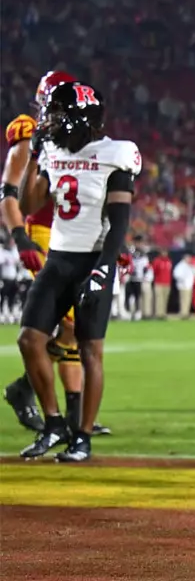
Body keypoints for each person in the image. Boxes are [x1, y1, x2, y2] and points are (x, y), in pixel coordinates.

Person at [15, 81, 138, 462]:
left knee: (89, 350)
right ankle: (54, 424)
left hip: (93, 259)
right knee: (29, 339)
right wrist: (35, 155)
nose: (48, 121)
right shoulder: (51, 149)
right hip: (59, 257)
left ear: (77, 117)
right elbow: (28, 202)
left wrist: (103, 270)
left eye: (56, 114)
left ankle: (82, 437)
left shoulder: (115, 153)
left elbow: (118, 221)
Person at [2, 71, 88, 435]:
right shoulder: (29, 137)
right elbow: (7, 194)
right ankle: (29, 392)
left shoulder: (79, 138)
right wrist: (20, 237)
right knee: (68, 322)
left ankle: (70, 414)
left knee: (78, 327)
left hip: (76, 235)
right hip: (43, 232)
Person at [173, 254, 195, 319]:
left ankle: (186, 313)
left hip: (189, 285)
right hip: (183, 286)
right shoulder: (180, 266)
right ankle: (183, 313)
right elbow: (176, 275)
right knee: (183, 300)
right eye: (188, 258)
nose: (189, 260)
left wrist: (193, 267)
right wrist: (183, 281)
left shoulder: (191, 266)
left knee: (188, 300)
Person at [150, 250, 172, 319]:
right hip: (158, 283)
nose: (164, 253)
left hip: (167, 283)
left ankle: (163, 313)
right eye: (163, 251)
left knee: (165, 299)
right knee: (159, 299)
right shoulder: (157, 261)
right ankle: (158, 314)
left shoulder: (169, 261)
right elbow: (154, 270)